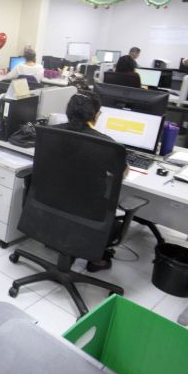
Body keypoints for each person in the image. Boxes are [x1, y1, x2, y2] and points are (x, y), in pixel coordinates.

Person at [51, 91, 127, 271]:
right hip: (88, 215)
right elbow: (121, 174)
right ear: (96, 115)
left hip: (50, 207)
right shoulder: (106, 144)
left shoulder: (51, 132)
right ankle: (96, 258)